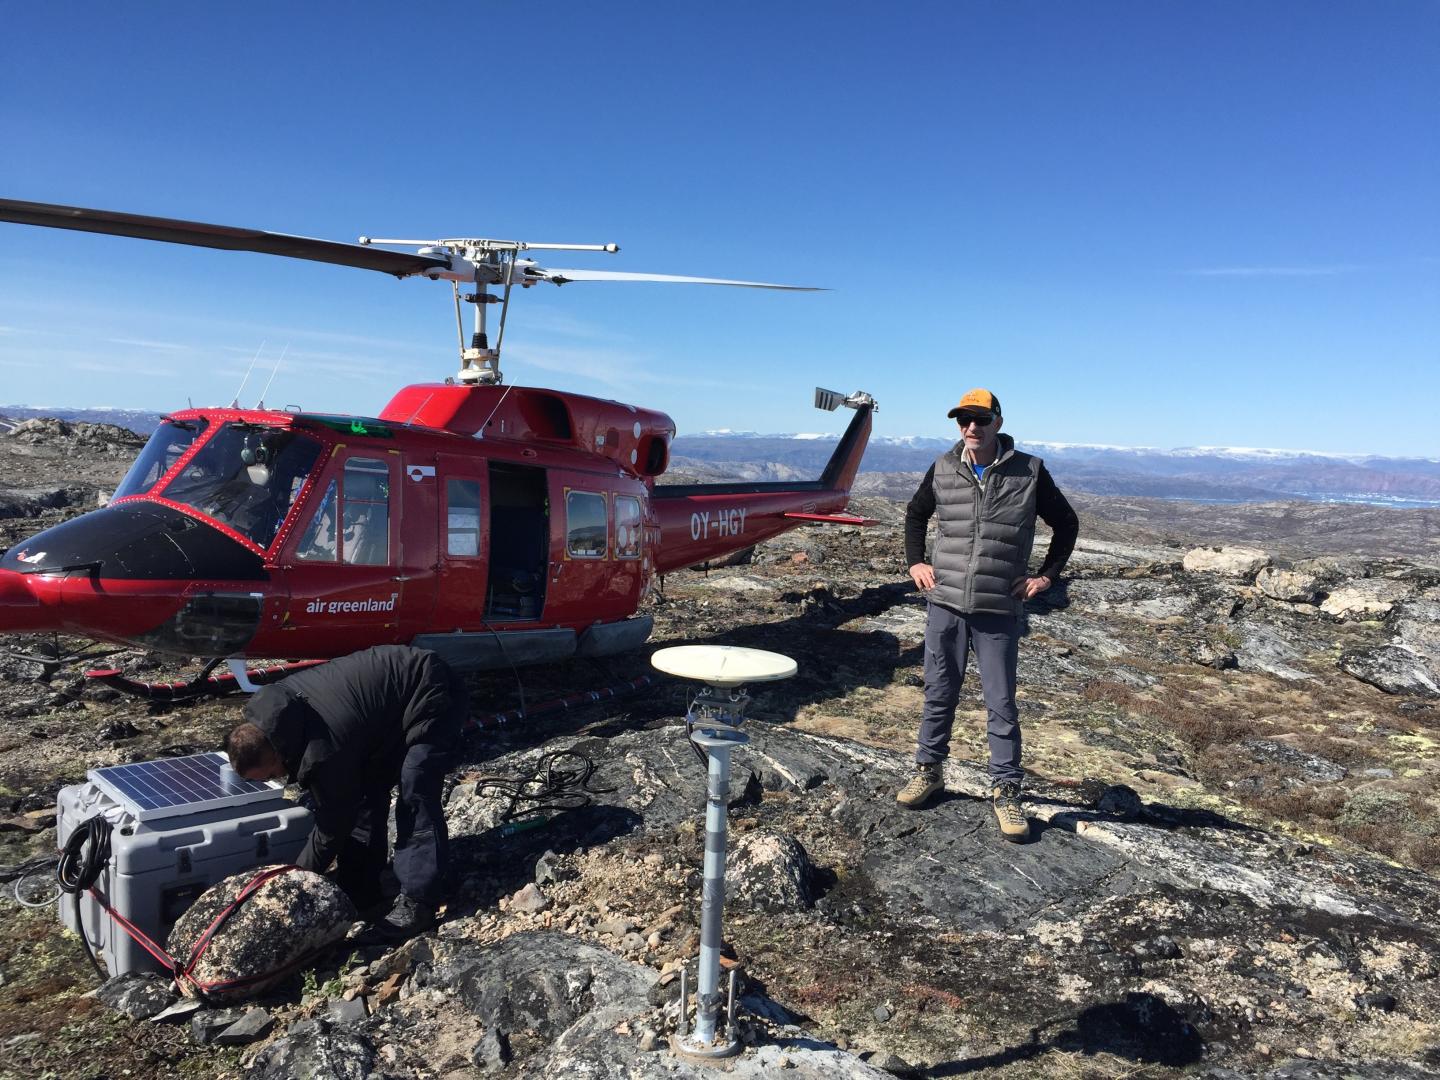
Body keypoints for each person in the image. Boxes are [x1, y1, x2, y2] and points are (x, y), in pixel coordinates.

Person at [897, 388, 1079, 842]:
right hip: (946, 603)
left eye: (979, 419)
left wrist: (1046, 577)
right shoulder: (943, 466)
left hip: (998, 607)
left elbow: (1067, 523)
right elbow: (915, 515)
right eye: (963, 420)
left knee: (1000, 702)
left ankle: (1006, 789)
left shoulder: (1029, 471)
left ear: (997, 421)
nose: (971, 428)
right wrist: (915, 561)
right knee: (939, 692)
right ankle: (929, 770)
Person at [225, 644, 467, 938]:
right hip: (382, 713)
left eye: (273, 774)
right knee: (365, 793)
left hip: (429, 687)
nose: (279, 778)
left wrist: (297, 878)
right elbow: (350, 802)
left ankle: (420, 902)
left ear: (277, 753)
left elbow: (332, 826)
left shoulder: (322, 752)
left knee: (415, 787)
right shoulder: (274, 713)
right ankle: (361, 890)